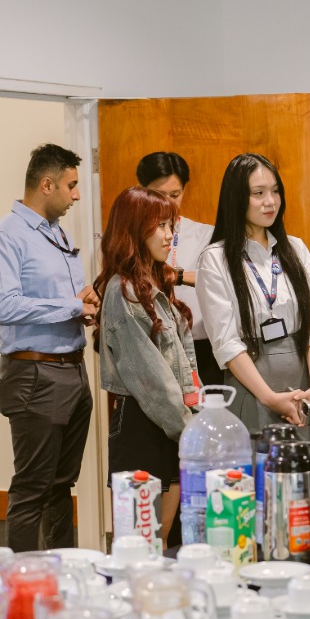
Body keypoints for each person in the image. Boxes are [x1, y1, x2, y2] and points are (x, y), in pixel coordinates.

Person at [0, 143, 99, 552]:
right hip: (35, 374)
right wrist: (70, 304)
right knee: (32, 489)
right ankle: (21, 585)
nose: (76, 195)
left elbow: (56, 300)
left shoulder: (57, 233)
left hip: (72, 369)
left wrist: (82, 303)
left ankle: (61, 575)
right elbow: (6, 305)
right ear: (47, 184)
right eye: (71, 185)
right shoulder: (5, 237)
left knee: (61, 486)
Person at [195, 153, 310, 456]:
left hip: (305, 390)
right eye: (258, 193)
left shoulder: (295, 248)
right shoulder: (215, 259)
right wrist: (270, 398)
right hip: (253, 390)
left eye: (275, 191)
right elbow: (227, 344)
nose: (270, 201)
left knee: (305, 490)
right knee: (256, 491)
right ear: (236, 198)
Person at [96, 186, 199, 544]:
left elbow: (183, 368)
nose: (170, 236)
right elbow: (152, 379)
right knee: (139, 546)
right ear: (135, 229)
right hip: (142, 424)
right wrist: (192, 433)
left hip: (170, 423)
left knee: (164, 539)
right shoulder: (121, 291)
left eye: (171, 226)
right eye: (160, 226)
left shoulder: (153, 286)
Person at [136, 151, 220, 386]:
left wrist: (178, 276)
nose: (168, 203)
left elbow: (223, 279)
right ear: (142, 191)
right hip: (152, 349)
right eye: (159, 195)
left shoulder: (205, 235)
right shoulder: (131, 238)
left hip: (202, 349)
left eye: (175, 194)